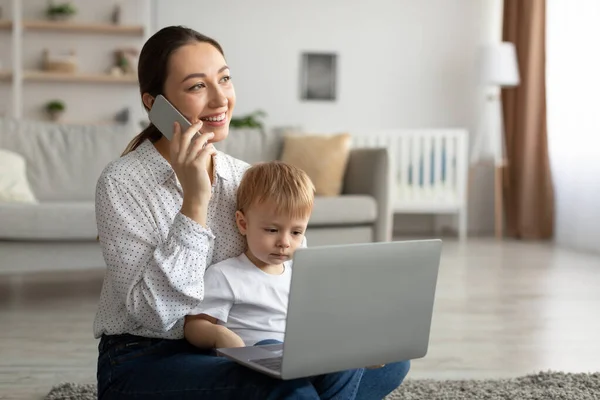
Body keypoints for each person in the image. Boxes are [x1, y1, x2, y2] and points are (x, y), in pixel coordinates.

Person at [94, 25, 410, 400]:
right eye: (197, 86)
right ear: (154, 104)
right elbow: (153, 314)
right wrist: (195, 201)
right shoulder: (123, 181)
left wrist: (339, 333)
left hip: (245, 349)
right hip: (145, 358)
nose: (220, 100)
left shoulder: (245, 177)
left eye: (224, 79)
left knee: (388, 359)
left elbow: (297, 269)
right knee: (289, 387)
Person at [184, 161, 315, 350]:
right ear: (243, 224)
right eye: (272, 230)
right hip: (257, 358)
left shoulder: (299, 274)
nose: (284, 242)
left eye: (296, 232)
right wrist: (220, 336)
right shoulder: (225, 274)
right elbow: (194, 325)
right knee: (270, 345)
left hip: (300, 354)